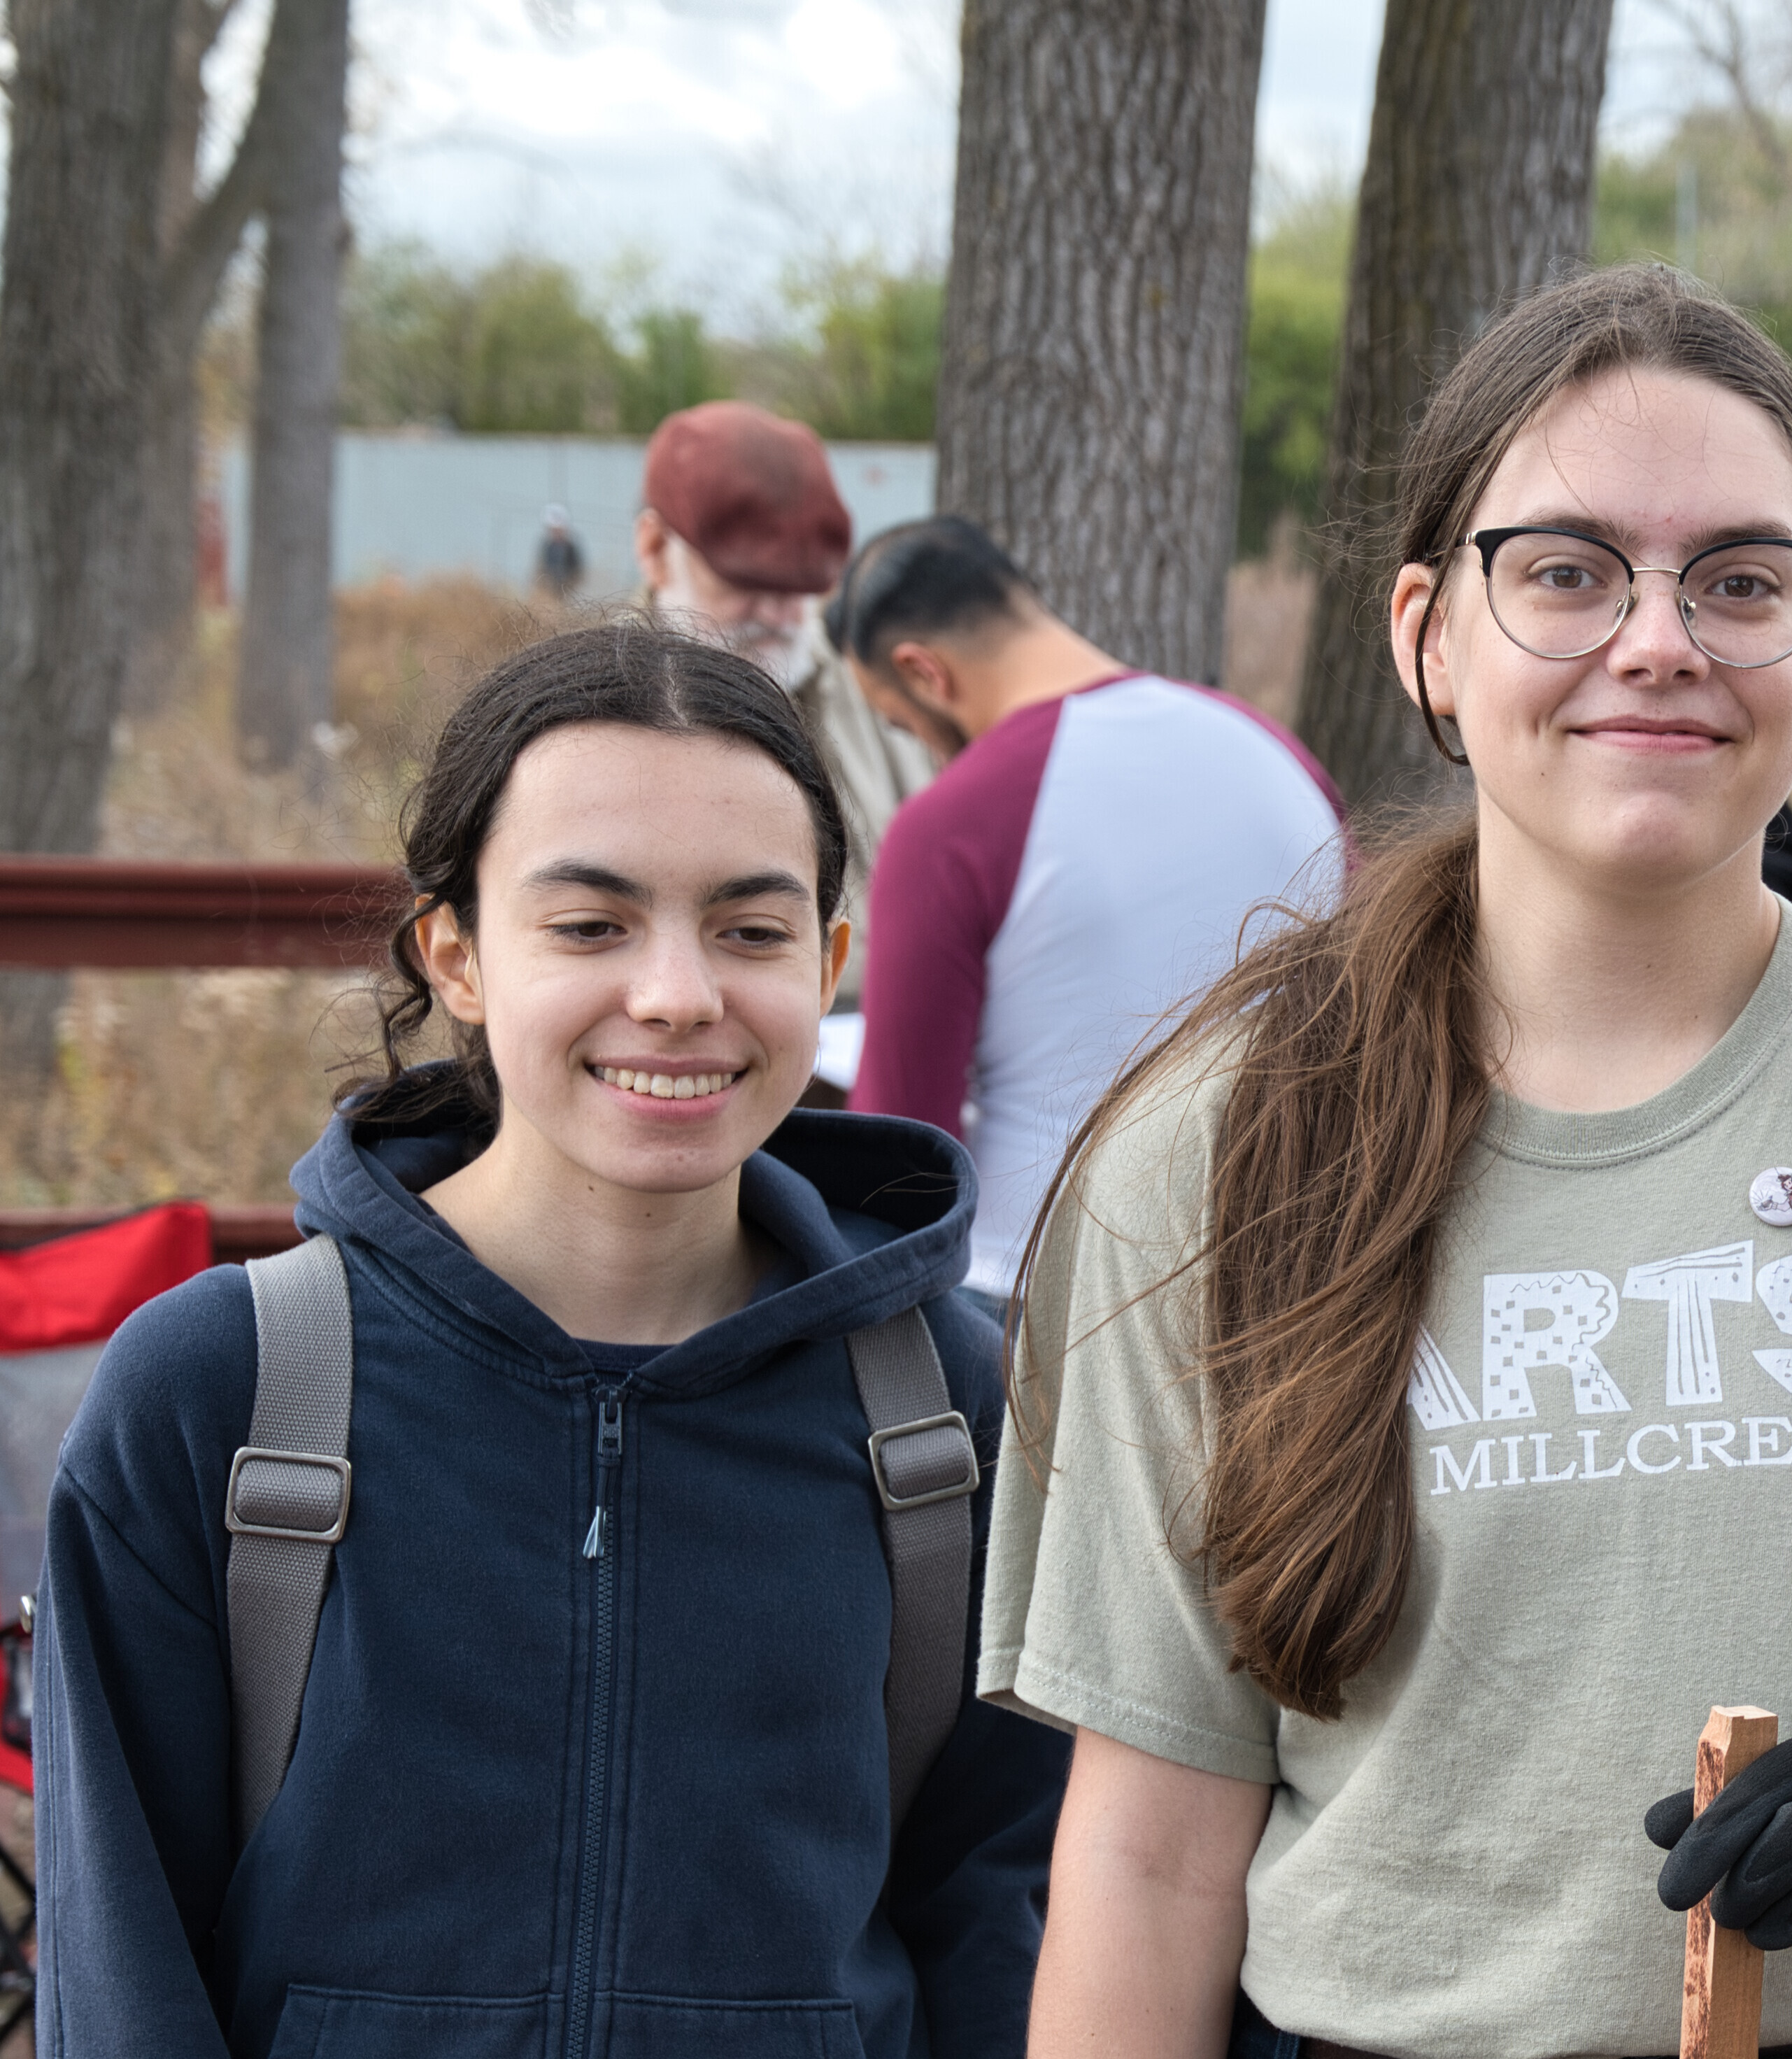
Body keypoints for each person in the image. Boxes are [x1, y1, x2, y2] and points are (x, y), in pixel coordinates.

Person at [984, 263, 1792, 2058]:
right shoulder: (1208, 1153)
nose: (1658, 640)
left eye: (1739, 579)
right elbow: (1149, 1849)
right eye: (1566, 572)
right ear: (1429, 636)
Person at [34, 621, 1068, 2056]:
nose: (678, 995)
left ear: (830, 959)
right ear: (455, 953)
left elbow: (1007, 1920)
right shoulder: (221, 1390)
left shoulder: (951, 1415)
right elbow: (120, 1963)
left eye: (751, 930)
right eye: (590, 924)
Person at [831, 514, 1346, 1317]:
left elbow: (900, 1152)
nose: (928, 751)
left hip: (1030, 1291)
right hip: (1279, 1274)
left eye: (903, 724)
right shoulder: (1279, 756)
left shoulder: (952, 823)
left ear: (923, 672)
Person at [638, 399, 935, 986]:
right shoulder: (581, 715)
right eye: (746, 583)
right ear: (655, 551)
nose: (778, 614)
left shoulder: (872, 683)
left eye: (802, 587)